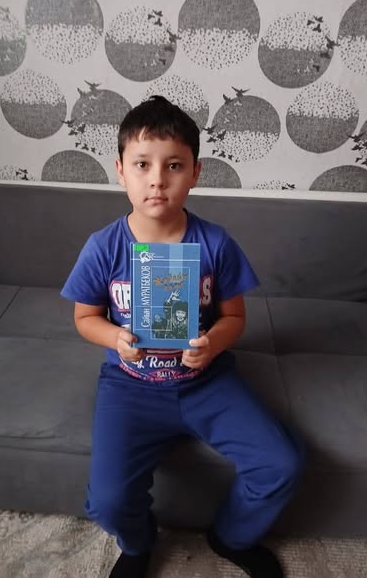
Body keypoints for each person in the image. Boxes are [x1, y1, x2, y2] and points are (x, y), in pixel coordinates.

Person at [61, 95, 305, 578]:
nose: (157, 179)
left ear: (195, 173)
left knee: (281, 463)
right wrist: (116, 338)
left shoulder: (215, 243)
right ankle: (138, 545)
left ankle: (230, 537)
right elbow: (85, 317)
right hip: (131, 386)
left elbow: (234, 317)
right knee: (108, 501)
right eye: (142, 164)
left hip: (206, 382)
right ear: (120, 171)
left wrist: (212, 343)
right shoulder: (104, 247)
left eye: (173, 165)